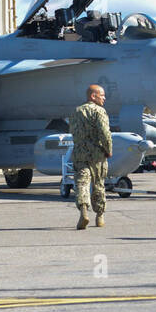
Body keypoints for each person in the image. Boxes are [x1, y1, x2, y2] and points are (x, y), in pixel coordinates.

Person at [69, 84, 112, 229]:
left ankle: (83, 212)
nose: (104, 98)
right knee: (98, 184)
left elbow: (73, 132)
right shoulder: (99, 111)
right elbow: (105, 133)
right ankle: (100, 216)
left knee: (82, 183)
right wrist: (108, 149)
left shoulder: (76, 111)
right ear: (93, 96)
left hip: (80, 154)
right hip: (97, 154)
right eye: (102, 95)